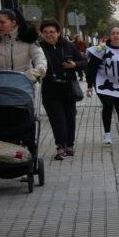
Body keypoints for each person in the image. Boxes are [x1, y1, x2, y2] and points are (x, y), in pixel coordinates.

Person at [36, 19, 82, 159]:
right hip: (50, 90)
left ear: (58, 33)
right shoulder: (38, 48)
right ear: (41, 34)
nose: (49, 35)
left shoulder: (68, 46)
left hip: (68, 89)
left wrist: (74, 65)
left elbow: (84, 61)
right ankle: (60, 147)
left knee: (70, 118)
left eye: (52, 32)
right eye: (45, 32)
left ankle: (70, 145)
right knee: (57, 120)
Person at [86, 26, 119, 146]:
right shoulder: (101, 49)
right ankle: (107, 134)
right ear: (110, 36)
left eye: (118, 33)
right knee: (108, 106)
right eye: (113, 33)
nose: (115, 35)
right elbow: (91, 68)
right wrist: (89, 85)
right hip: (103, 81)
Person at [0, 9, 45, 81]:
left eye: (2, 22)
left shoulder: (28, 37)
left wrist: (36, 72)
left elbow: (39, 58)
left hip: (25, 82)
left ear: (13, 23)